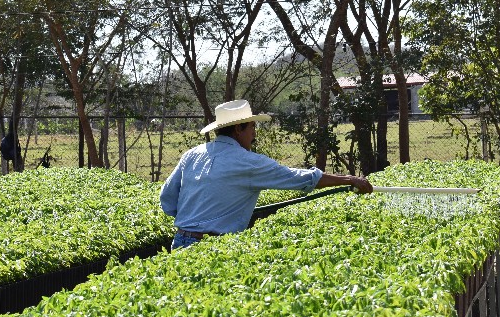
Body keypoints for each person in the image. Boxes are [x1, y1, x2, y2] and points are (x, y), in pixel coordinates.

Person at [160, 100, 373, 249]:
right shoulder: (248, 162)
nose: (254, 133)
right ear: (237, 129)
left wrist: (195, 219)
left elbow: (167, 199)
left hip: (179, 241)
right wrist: (349, 179)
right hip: (211, 245)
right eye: (252, 127)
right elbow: (298, 178)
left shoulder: (192, 155)